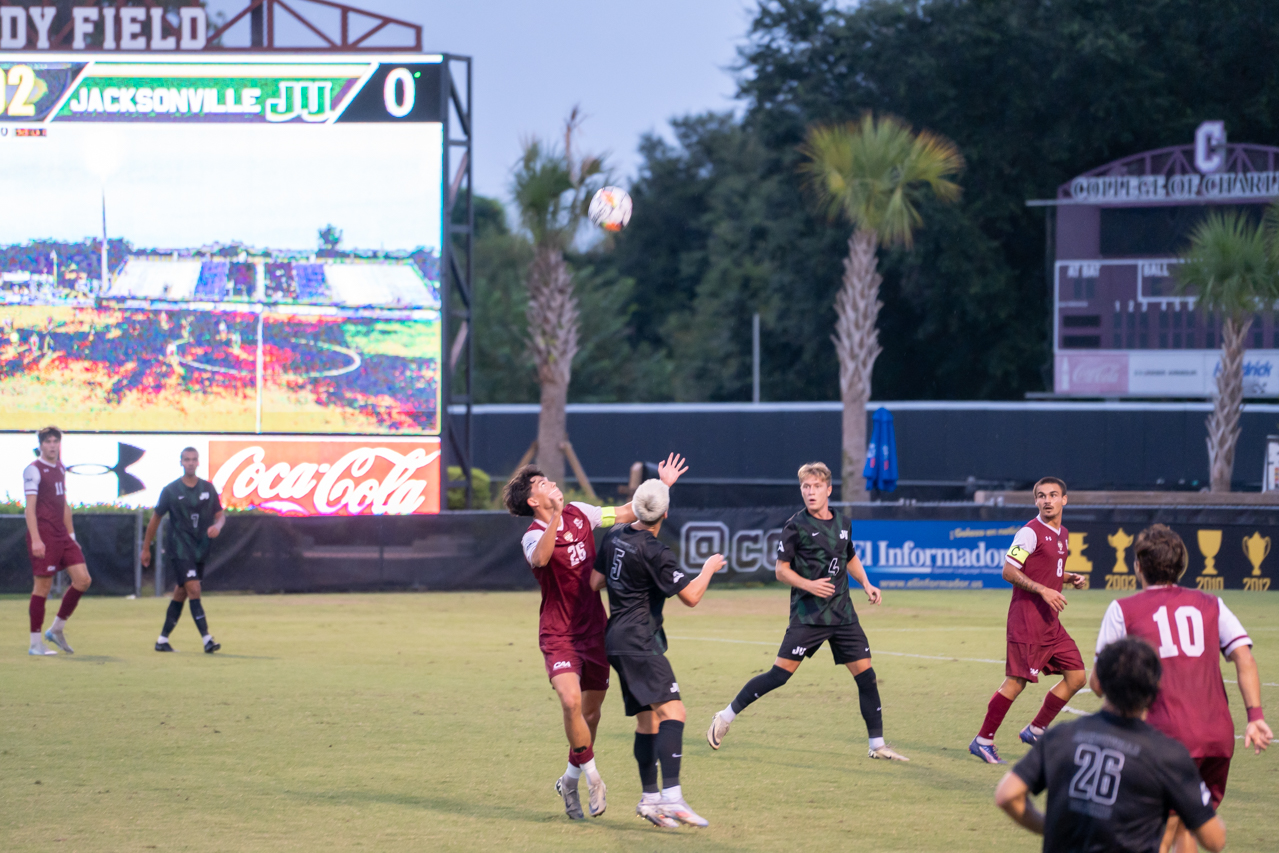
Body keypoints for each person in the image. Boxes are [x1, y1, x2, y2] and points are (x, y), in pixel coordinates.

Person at [502, 453, 688, 821]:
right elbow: (540, 560)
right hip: (558, 634)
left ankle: (569, 780)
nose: (551, 483)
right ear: (532, 501)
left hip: (595, 631)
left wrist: (661, 488)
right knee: (570, 703)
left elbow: (625, 514)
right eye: (542, 484)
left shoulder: (581, 512)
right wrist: (555, 516)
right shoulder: (532, 536)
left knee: (590, 715)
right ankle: (592, 777)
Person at [706, 461, 908, 761]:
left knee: (866, 676)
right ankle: (725, 716)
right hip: (809, 615)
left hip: (842, 614)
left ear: (828, 489)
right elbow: (781, 571)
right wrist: (810, 586)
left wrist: (866, 582)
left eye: (815, 487)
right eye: (805, 487)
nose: (810, 492)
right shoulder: (795, 526)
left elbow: (848, 555)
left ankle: (877, 745)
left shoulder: (843, 522)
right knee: (779, 675)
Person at [1093, 524, 1271, 853]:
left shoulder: (1123, 609)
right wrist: (1256, 715)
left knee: (1157, 831)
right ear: (1182, 566)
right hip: (1217, 737)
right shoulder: (1212, 603)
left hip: (1166, 738)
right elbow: (1244, 658)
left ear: (1138, 566)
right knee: (1185, 824)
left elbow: (1099, 684)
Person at [994, 636, 1226, 853]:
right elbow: (1215, 840)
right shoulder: (1169, 755)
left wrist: (1048, 826)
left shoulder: (1060, 736)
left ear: (1101, 684)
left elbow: (1007, 795)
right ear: (1155, 689)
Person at [589, 478, 723, 828]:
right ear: (665, 513)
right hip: (639, 642)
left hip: (615, 639)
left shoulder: (615, 535)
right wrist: (708, 568)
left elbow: (595, 582)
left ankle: (650, 799)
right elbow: (691, 597)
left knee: (648, 720)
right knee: (674, 712)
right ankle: (672, 798)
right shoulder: (656, 551)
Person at [970, 476, 1088, 763]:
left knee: (1077, 677)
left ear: (1064, 500)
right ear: (1035, 501)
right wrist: (1043, 589)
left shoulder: (1063, 533)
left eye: (1053, 494)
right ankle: (983, 740)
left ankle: (1036, 730)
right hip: (1027, 622)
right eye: (1041, 496)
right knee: (1015, 683)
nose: (1047, 500)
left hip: (1050, 624)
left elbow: (1046, 568)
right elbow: (1009, 571)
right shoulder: (1029, 532)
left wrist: (1067, 577)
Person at [140, 447, 225, 653]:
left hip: (200, 550)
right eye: (186, 459)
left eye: (193, 459)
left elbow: (220, 515)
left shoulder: (208, 488)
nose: (190, 463)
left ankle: (162, 640)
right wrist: (146, 548)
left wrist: (217, 527)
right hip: (179, 549)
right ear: (181, 462)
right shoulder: (171, 490)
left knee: (181, 593)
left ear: (198, 463)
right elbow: (155, 519)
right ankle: (207, 639)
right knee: (194, 589)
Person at [24, 426, 92, 655]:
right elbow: (29, 509)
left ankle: (56, 629)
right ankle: (35, 644)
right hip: (44, 535)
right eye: (48, 441)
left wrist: (71, 536)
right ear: (41, 445)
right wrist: (36, 539)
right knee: (42, 587)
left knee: (83, 580)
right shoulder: (33, 471)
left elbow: (63, 504)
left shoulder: (60, 466)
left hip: (62, 535)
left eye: (56, 441)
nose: (52, 445)